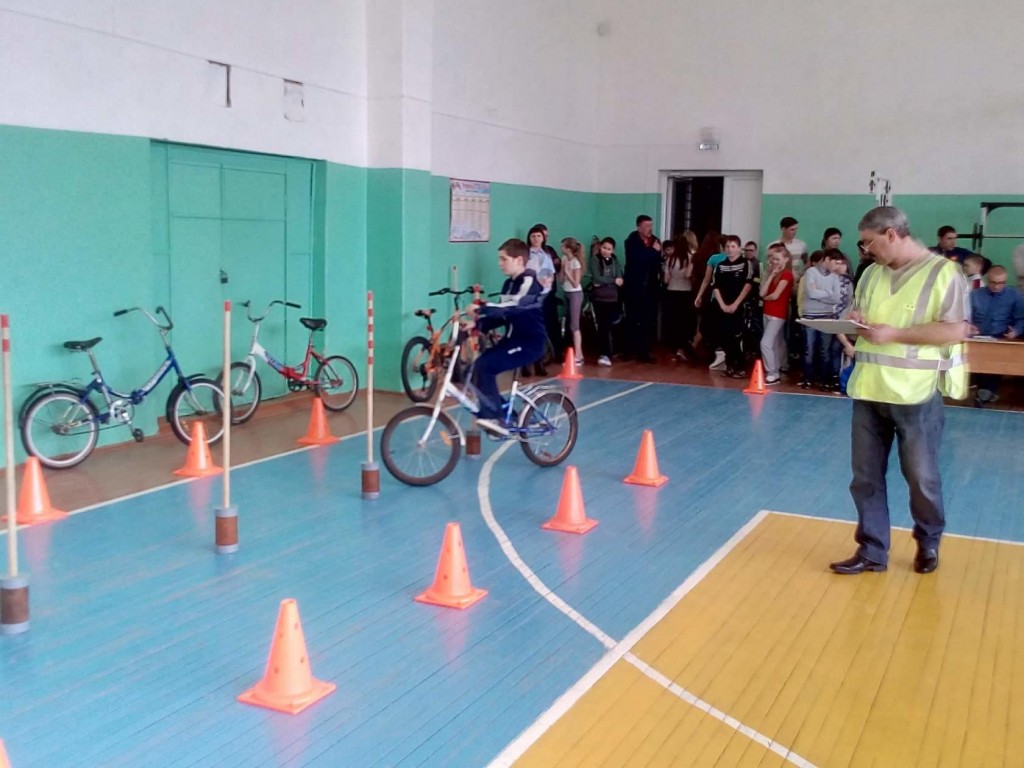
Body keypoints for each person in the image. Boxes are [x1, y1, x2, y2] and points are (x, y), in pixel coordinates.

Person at [830, 206, 969, 577]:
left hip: (915, 395)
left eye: (868, 242)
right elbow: (859, 313)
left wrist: (895, 334)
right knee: (865, 478)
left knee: (921, 478)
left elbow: (955, 330)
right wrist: (855, 320)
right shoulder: (871, 274)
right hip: (869, 389)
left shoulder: (944, 273)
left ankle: (929, 541)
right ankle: (872, 551)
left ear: (891, 234)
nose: (865, 249)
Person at [468, 238, 545, 437]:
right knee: (475, 369)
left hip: (529, 343)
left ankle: (497, 419)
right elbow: (503, 315)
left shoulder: (529, 283)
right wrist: (477, 325)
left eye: (504, 259)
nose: (500, 263)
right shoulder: (509, 284)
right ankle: (505, 416)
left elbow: (514, 306)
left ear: (519, 260)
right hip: (512, 341)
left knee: (485, 366)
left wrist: (482, 307)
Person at [968, 265, 1024, 405]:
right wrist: (968, 326)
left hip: (1002, 338)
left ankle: (985, 392)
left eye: (1001, 283)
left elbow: (1021, 319)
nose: (997, 286)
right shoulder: (975, 295)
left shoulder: (1014, 295)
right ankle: (985, 391)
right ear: (987, 280)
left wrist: (1016, 331)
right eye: (993, 282)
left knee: (995, 355)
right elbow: (965, 317)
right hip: (977, 338)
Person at [709, 235, 754, 378]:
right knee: (725, 336)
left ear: (739, 248)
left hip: (739, 307)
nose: (730, 249)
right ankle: (729, 366)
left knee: (738, 337)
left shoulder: (746, 263)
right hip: (723, 307)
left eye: (733, 246)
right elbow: (715, 286)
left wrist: (736, 304)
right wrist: (722, 305)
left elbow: (748, 285)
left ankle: (740, 366)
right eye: (728, 246)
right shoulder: (720, 265)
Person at [799, 249, 843, 390]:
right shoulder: (811, 272)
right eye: (836, 263)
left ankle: (825, 381)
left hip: (827, 316)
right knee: (809, 350)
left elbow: (837, 298)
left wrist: (821, 294)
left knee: (825, 350)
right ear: (827, 259)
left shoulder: (835, 277)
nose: (837, 267)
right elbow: (811, 293)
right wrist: (829, 293)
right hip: (810, 316)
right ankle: (808, 379)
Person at [623, 214, 663, 362]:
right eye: (646, 226)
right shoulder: (631, 241)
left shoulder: (655, 241)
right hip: (634, 287)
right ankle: (629, 350)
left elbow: (657, 262)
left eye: (651, 225)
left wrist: (655, 253)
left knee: (647, 320)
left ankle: (644, 352)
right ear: (639, 227)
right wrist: (653, 251)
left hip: (650, 288)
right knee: (632, 318)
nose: (650, 229)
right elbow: (637, 259)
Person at [759, 243, 793, 385]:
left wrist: (765, 298)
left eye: (778, 259)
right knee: (775, 343)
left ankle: (772, 372)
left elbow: (775, 295)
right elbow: (762, 292)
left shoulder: (787, 274)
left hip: (778, 314)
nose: (774, 262)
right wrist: (771, 275)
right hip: (767, 312)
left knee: (765, 343)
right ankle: (778, 367)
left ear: (786, 259)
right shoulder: (773, 274)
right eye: (773, 259)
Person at [524, 225, 556, 376]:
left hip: (542, 297)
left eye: (539, 236)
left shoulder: (546, 256)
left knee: (539, 331)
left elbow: (550, 276)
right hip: (527, 296)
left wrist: (545, 288)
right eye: (533, 236)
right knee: (526, 330)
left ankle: (539, 362)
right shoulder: (525, 255)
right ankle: (525, 364)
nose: (536, 239)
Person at [663, 231, 697, 360]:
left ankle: (674, 347)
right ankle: (683, 348)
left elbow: (666, 280)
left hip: (671, 291)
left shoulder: (670, 259)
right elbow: (688, 275)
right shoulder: (690, 257)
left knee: (673, 321)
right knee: (684, 321)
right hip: (685, 292)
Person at [590, 236, 624, 366]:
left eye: (609, 249)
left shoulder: (615, 260)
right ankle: (604, 353)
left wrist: (609, 281)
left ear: (612, 250)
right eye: (604, 248)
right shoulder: (595, 260)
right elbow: (597, 278)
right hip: (600, 298)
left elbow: (620, 277)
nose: (606, 251)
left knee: (612, 324)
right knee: (602, 326)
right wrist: (612, 281)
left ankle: (613, 351)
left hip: (613, 298)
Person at [559, 237, 586, 366]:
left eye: (563, 246)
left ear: (568, 249)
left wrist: (567, 272)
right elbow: (561, 279)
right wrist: (562, 269)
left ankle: (579, 355)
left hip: (575, 293)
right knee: (569, 323)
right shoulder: (565, 259)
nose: (561, 248)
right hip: (567, 292)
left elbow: (575, 283)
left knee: (575, 325)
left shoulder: (575, 262)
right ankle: (571, 354)